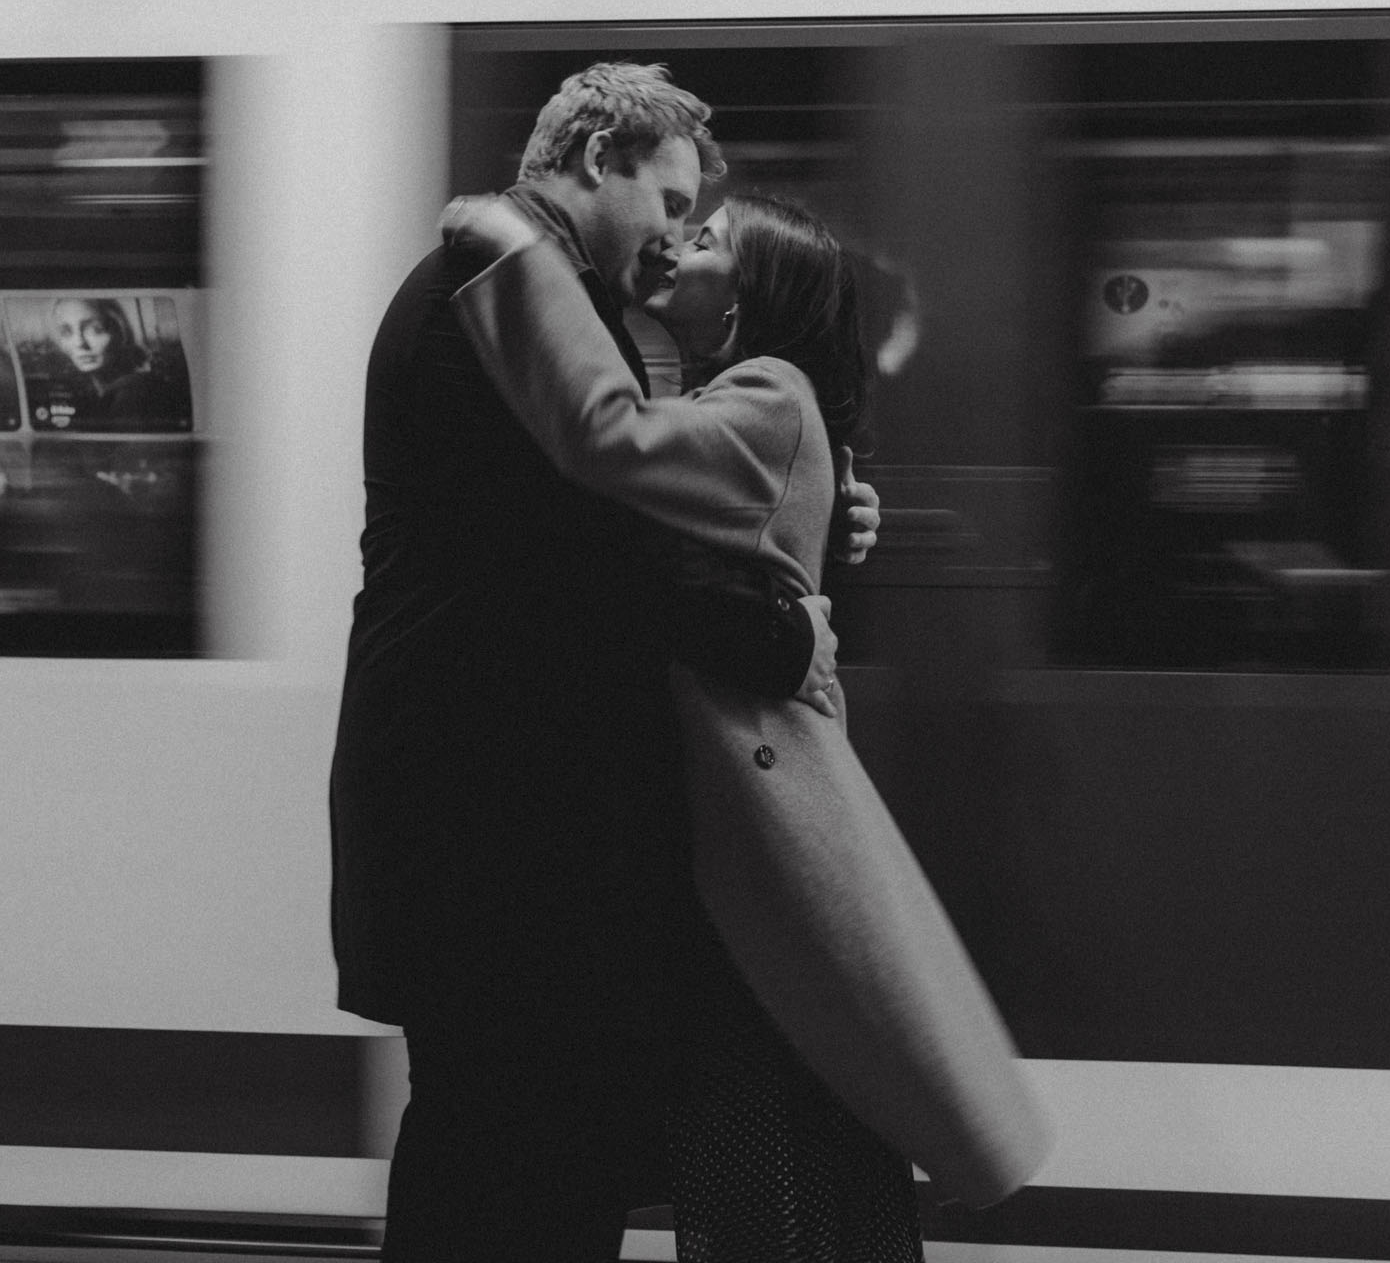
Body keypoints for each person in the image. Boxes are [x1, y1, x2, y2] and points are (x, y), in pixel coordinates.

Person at [329, 62, 879, 1263]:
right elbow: (608, 559)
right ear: (597, 161)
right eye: (672, 203)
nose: (678, 239)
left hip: (498, 839)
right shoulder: (506, 296)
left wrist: (815, 509)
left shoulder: (533, 297)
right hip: (490, 844)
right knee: (507, 1177)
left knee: (517, 1169)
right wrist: (786, 634)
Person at [445, 191, 1051, 1260]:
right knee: (789, 1148)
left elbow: (602, 440)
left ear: (750, 300)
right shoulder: (744, 396)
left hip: (755, 841)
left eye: (709, 238)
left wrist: (514, 252)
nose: (682, 241)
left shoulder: (766, 392)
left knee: (764, 1150)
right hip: (743, 839)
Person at [47, 297, 178, 431]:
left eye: (96, 329)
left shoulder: (133, 394)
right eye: (66, 332)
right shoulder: (95, 393)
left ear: (120, 332)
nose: (79, 343)